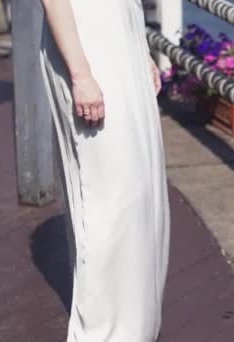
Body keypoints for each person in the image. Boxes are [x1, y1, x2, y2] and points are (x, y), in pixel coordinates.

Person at [39, 0, 169, 341]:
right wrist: (80, 75)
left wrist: (139, 49)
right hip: (86, 51)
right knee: (108, 194)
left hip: (120, 44)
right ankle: (102, 331)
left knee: (141, 190)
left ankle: (136, 325)